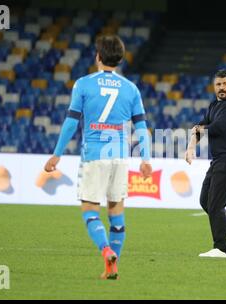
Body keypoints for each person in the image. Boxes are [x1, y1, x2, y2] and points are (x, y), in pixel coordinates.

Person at [44, 35, 152, 279]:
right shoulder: (131, 88)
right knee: (116, 211)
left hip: (94, 155)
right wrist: (145, 158)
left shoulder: (83, 84)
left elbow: (71, 121)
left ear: (98, 57)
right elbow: (142, 128)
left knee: (90, 209)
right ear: (120, 58)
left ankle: (105, 251)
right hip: (120, 156)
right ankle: (113, 265)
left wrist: (56, 154)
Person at [185, 69, 226, 258]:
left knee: (215, 204)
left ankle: (222, 249)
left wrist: (197, 130)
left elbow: (217, 128)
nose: (221, 88)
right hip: (219, 160)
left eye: (225, 84)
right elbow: (199, 126)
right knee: (205, 201)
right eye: (218, 84)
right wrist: (191, 148)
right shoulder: (214, 105)